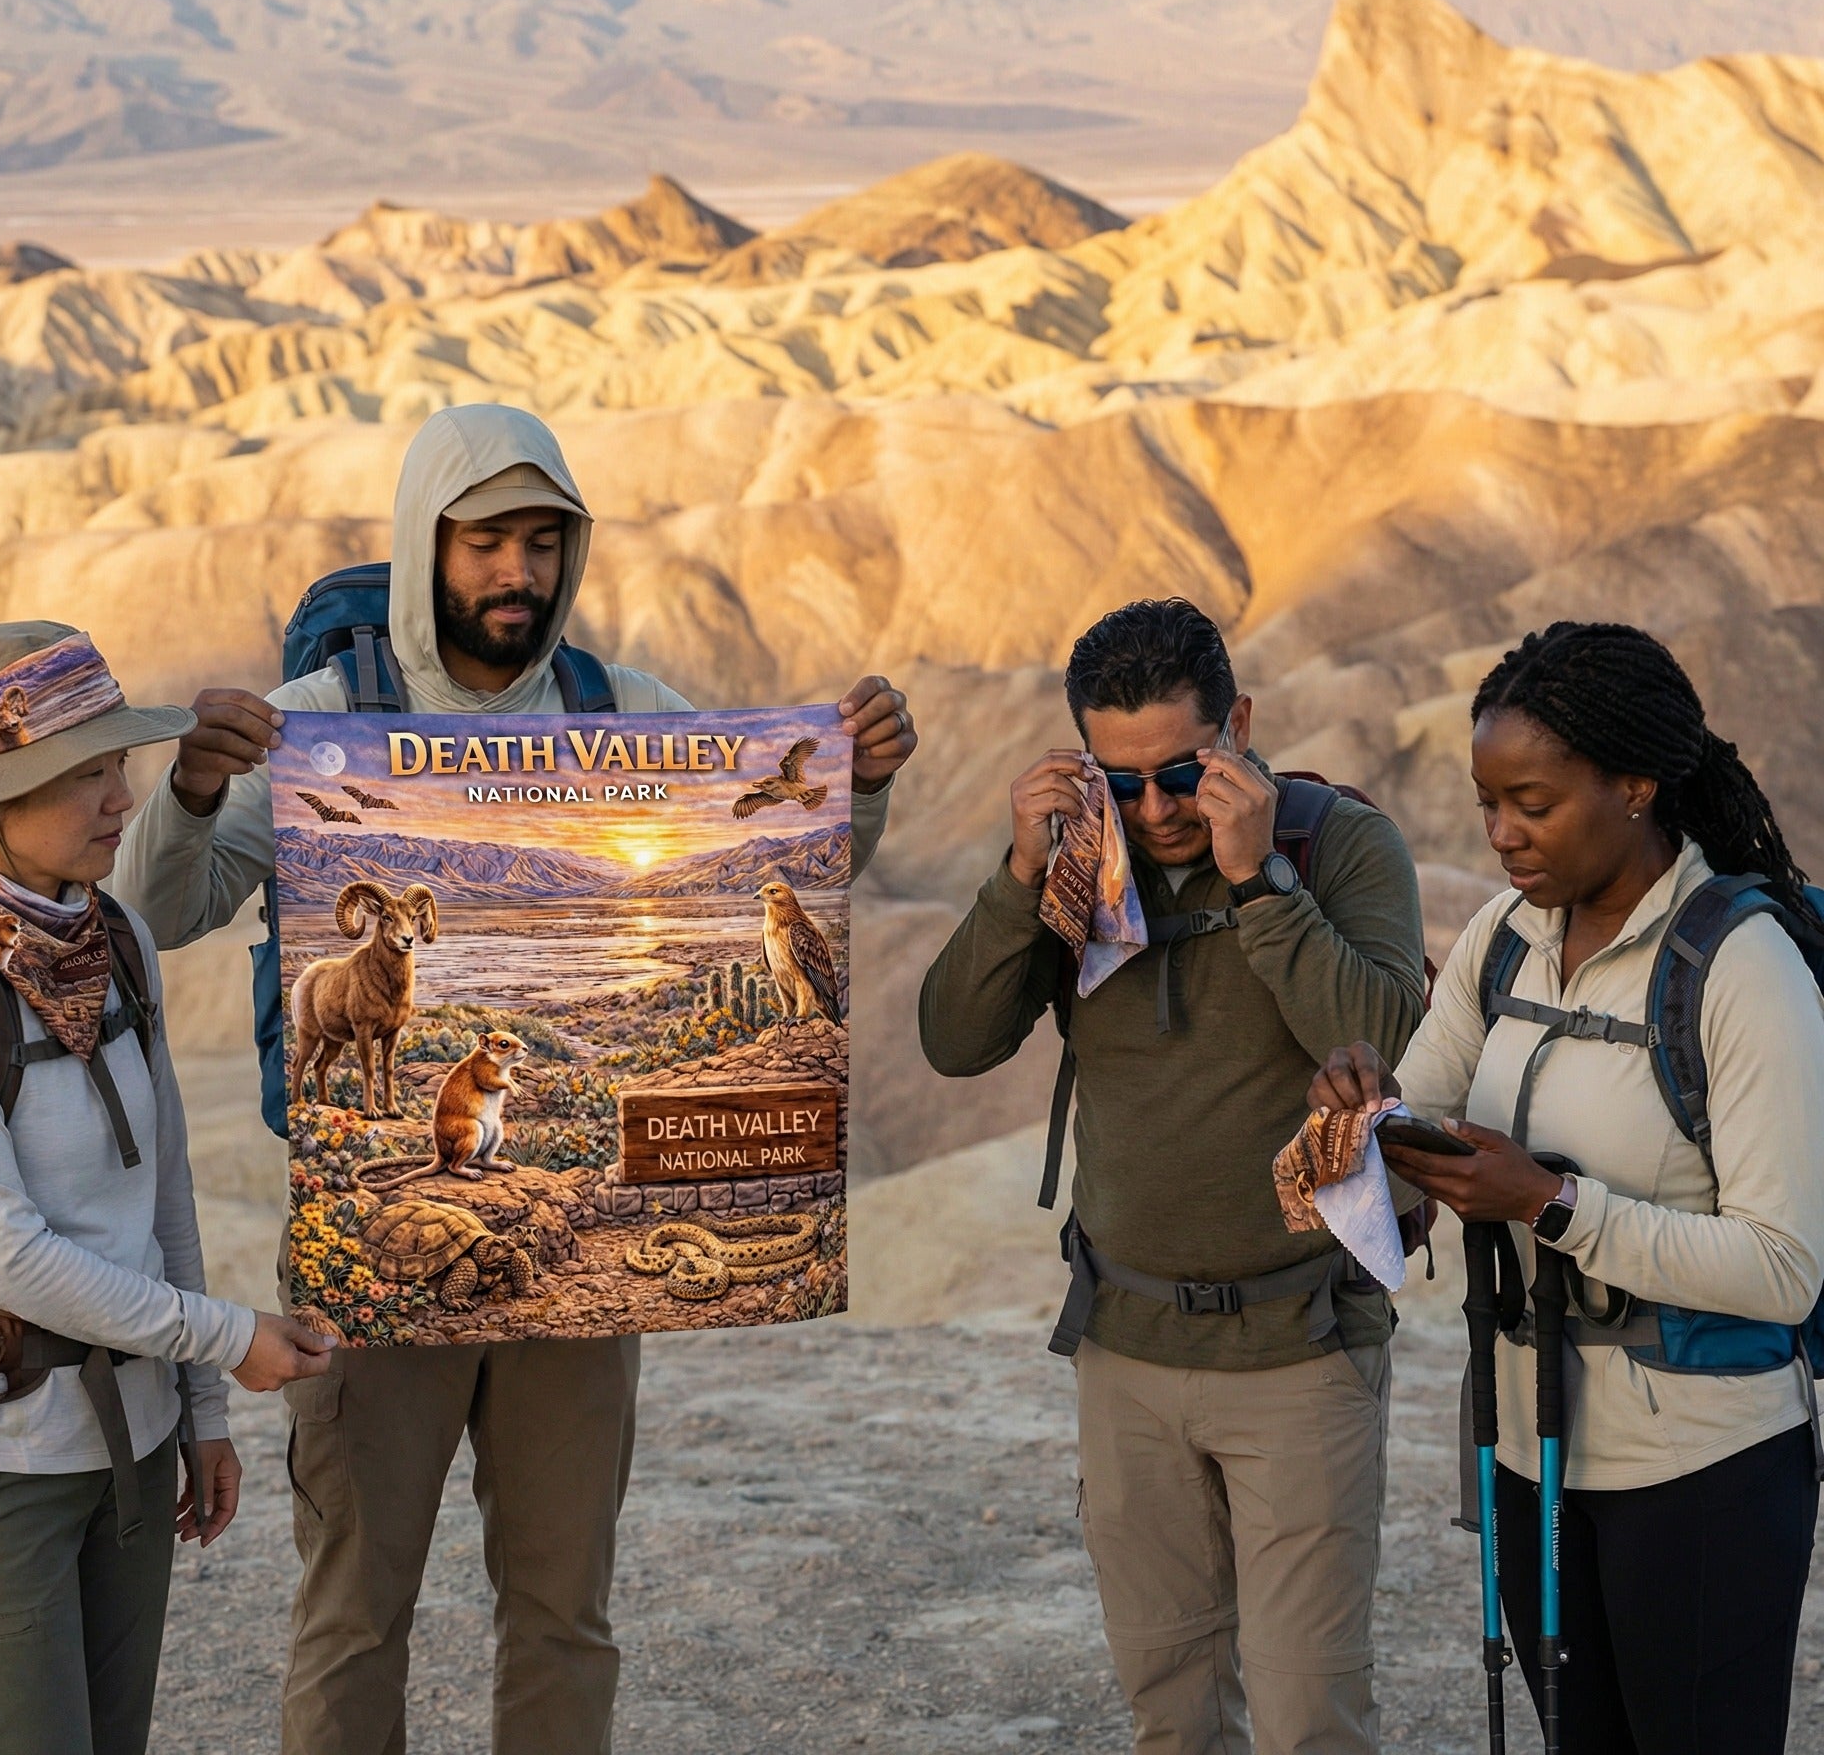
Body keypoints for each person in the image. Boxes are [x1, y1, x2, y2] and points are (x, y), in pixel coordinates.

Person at [110, 401, 918, 1755]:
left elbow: (777, 871)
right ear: (429, 544)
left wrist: (865, 783)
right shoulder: (323, 724)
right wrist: (190, 795)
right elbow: (158, 913)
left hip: (575, 1281)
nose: (516, 573)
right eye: (486, 541)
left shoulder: (624, 718)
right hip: (370, 1256)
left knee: (564, 1609)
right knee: (358, 1607)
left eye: (543, 544)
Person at [920, 597, 1426, 1755]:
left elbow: (1376, 1029)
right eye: (1121, 778)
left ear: (1236, 723)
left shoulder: (1335, 846)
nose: (1153, 808)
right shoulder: (1080, 870)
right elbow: (953, 1040)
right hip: (1126, 1349)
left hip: (1297, 1348)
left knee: (1309, 1717)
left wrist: (1258, 886)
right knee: (1171, 1709)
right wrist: (1016, 869)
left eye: (1181, 771)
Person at [1312, 620, 1824, 1755]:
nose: (1498, 834)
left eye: (1530, 803)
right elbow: (1424, 1101)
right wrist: (1362, 1111)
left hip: (1702, 1468)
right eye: (1486, 800)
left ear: (1634, 785)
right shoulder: (1504, 934)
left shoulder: (1741, 968)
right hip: (1523, 1440)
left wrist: (1551, 1203)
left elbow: (1783, 1266)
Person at [0, 620, 332, 1755]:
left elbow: (162, 1197)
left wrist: (196, 1411)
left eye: (117, 761)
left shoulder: (119, 942)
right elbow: (3, 1252)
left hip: (132, 1443)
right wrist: (224, 1337)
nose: (117, 796)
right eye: (80, 771)